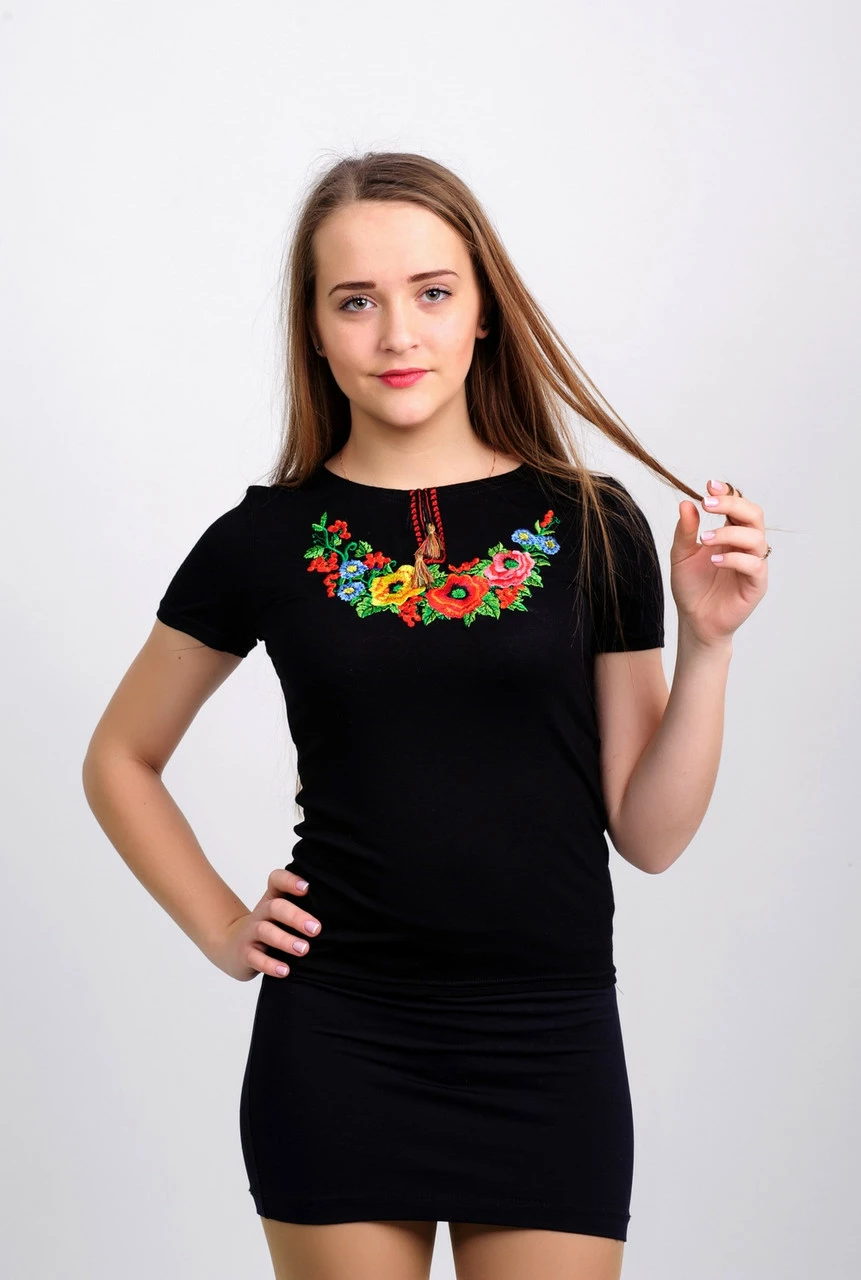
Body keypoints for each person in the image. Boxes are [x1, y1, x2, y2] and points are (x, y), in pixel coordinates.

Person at [81, 151, 771, 1280]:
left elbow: (648, 835)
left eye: (433, 292)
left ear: (484, 308)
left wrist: (710, 645)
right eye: (356, 301)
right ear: (314, 330)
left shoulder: (592, 521)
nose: (397, 333)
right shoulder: (265, 540)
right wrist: (220, 925)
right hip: (338, 1039)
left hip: (549, 1039)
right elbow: (120, 755)